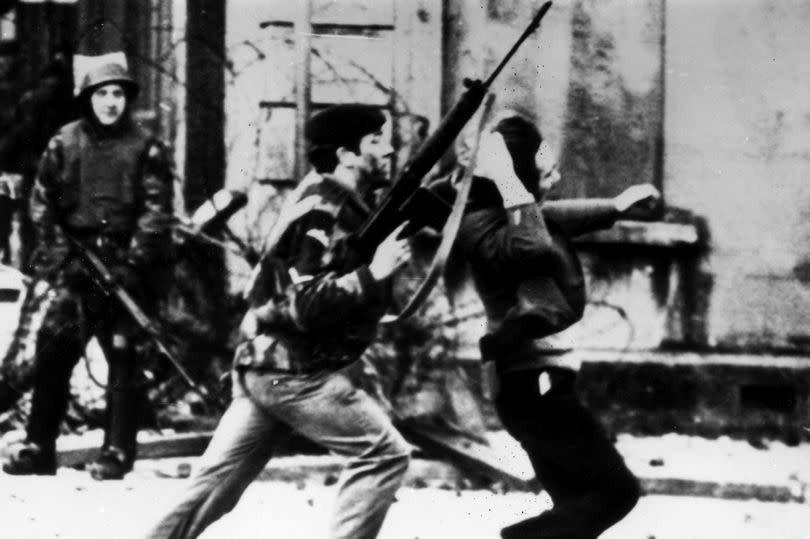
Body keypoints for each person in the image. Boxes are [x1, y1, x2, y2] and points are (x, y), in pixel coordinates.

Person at [144, 104, 413, 539]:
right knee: (384, 454)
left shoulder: (325, 198)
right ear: (346, 153)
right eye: (376, 141)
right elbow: (301, 302)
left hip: (264, 368)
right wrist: (373, 274)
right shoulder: (323, 210)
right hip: (293, 374)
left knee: (214, 488)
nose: (389, 149)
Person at [457, 114, 659, 539]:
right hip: (532, 385)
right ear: (516, 179)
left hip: (537, 385)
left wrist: (614, 206)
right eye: (546, 172)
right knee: (615, 492)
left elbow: (549, 217)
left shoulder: (505, 215)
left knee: (574, 507)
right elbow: (533, 242)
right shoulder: (486, 227)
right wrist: (512, 181)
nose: (558, 176)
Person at [1, 54, 174, 480]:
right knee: (53, 350)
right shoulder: (64, 142)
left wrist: (132, 263)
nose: (111, 102)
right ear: (88, 98)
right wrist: (61, 256)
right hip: (75, 266)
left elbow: (156, 212)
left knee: (122, 355)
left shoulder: (145, 146)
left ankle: (116, 451)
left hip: (123, 268)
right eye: (103, 93)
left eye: (118, 93)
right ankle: (39, 445)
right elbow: (43, 203)